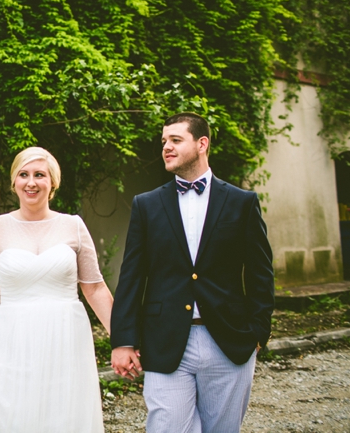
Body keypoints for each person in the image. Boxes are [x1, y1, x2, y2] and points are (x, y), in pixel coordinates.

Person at [110, 113, 274, 432]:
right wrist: (123, 341)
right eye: (163, 142)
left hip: (228, 340)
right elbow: (131, 276)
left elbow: (261, 273)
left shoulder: (242, 203)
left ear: (202, 144)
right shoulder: (147, 205)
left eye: (175, 140)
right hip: (164, 339)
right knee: (167, 426)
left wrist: (258, 331)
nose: (166, 148)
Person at [0, 146, 114, 433]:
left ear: (53, 183)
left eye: (39, 175)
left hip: (66, 338)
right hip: (13, 338)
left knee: (63, 413)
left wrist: (122, 339)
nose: (31, 182)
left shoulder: (74, 226)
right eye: (23, 174)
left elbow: (95, 288)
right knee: (11, 413)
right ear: (14, 182)